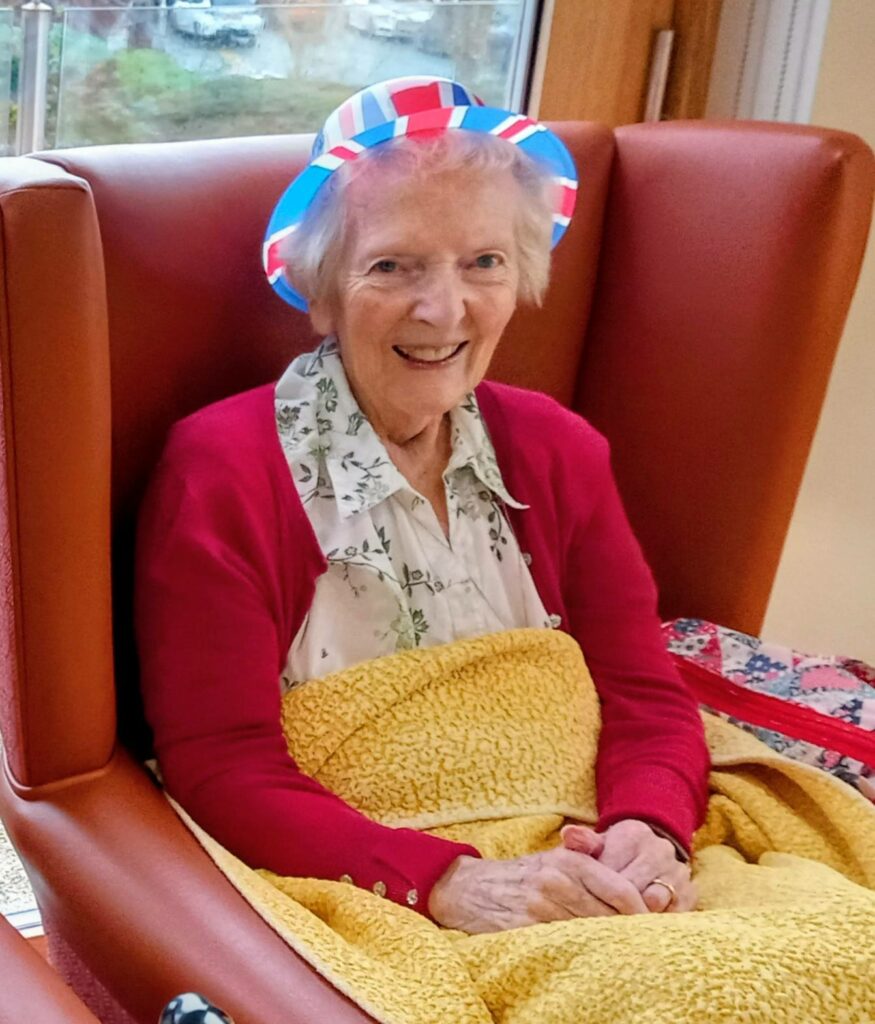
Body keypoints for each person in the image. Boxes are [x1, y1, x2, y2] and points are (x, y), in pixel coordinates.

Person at [136, 76, 710, 935]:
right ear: (321, 290)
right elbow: (219, 763)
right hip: (384, 882)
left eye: (483, 262)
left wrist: (648, 827)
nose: (443, 309)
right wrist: (447, 884)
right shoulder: (221, 469)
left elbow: (643, 691)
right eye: (391, 266)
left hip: (585, 860)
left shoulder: (561, 449)